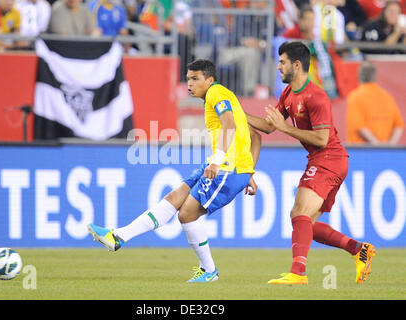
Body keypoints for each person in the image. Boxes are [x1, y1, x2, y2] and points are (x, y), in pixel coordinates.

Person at [88, 59, 262, 283]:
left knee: (186, 214)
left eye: (195, 78)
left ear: (209, 80)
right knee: (173, 198)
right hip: (227, 165)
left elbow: (230, 124)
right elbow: (254, 134)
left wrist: (224, 163)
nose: (190, 83)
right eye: (188, 78)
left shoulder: (216, 94)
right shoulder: (221, 95)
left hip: (226, 168)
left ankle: (209, 271)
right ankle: (118, 236)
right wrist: (249, 172)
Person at [245, 41, 375, 285]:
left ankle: (298, 273)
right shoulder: (287, 94)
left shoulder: (316, 97)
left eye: (282, 62)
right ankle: (359, 249)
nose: (278, 67)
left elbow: (323, 138)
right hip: (323, 159)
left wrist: (286, 128)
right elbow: (269, 126)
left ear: (296, 64)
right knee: (305, 225)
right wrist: (236, 113)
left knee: (299, 213)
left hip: (330, 158)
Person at [346, 61, 404, 145]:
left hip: (361, 151)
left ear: (359, 76)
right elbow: (399, 126)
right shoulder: (387, 96)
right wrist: (390, 146)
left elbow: (360, 127)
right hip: (385, 152)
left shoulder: (355, 97)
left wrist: (377, 145)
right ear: (374, 76)